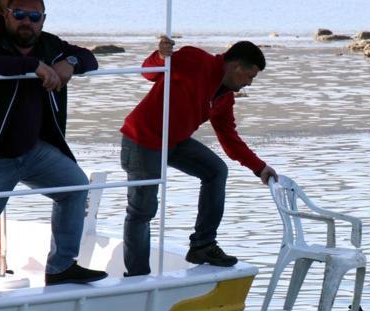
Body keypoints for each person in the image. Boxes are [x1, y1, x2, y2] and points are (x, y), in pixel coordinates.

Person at [0, 0, 108, 290]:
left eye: (34, 16)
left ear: (43, 20)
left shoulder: (49, 44)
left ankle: (61, 268)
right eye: (19, 14)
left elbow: (88, 58)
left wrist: (69, 63)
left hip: (33, 151)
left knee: (75, 187)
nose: (26, 22)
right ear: (6, 16)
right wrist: (34, 66)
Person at [119, 37, 278, 276]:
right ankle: (138, 277)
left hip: (174, 142)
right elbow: (149, 72)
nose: (249, 83)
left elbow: (229, 139)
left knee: (216, 171)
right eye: (250, 77)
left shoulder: (224, 98)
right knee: (143, 210)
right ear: (237, 67)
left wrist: (260, 168)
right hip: (141, 139)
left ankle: (202, 245)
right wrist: (160, 56)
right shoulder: (195, 59)